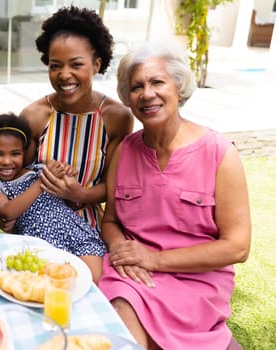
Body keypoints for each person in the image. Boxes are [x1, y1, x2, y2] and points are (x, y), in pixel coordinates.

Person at [99, 41, 251, 350]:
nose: (147, 94)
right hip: (134, 276)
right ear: (128, 97)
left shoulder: (219, 153)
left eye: (157, 82)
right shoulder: (126, 150)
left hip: (197, 281)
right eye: (137, 86)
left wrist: (154, 259)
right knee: (121, 325)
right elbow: (111, 220)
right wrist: (123, 252)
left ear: (178, 88)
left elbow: (237, 247)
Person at [19, 6, 134, 238]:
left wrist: (80, 195)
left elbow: (112, 185)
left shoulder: (116, 118)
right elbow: (17, 174)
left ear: (97, 65)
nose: (64, 74)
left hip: (88, 224)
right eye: (55, 65)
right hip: (38, 222)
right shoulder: (35, 115)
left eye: (76, 64)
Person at [0, 114, 106, 282]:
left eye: (15, 153)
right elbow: (7, 212)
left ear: (24, 153)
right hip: (41, 243)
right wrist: (42, 181)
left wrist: (68, 180)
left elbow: (69, 203)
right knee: (55, 284)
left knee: (93, 280)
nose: (7, 161)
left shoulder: (38, 170)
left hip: (76, 233)